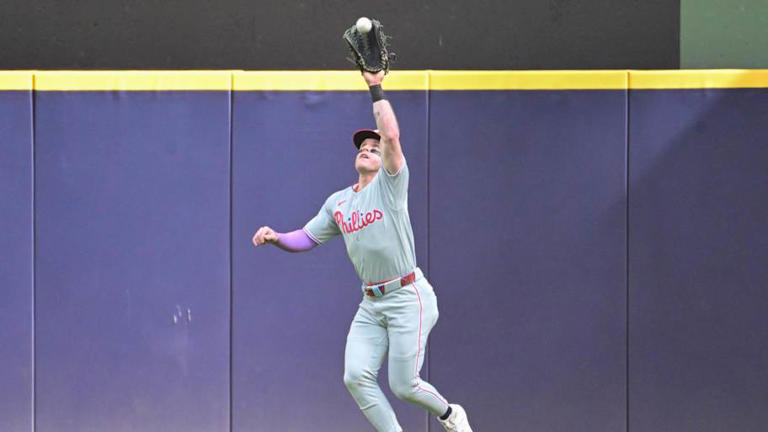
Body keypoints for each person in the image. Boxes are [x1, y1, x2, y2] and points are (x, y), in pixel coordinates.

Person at [252, 71, 473, 432]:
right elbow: (307, 238)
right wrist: (276, 237)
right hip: (371, 304)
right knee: (355, 376)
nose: (368, 149)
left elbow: (391, 135)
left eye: (374, 147)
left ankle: (451, 415)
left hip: (407, 296)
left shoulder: (391, 184)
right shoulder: (338, 202)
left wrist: (375, 87)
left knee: (404, 385)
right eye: (362, 148)